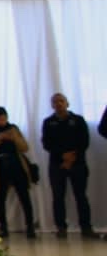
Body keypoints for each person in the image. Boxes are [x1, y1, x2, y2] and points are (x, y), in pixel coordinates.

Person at [41, 93, 94, 238]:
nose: (59, 104)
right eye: (55, 102)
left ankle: (86, 227)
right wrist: (62, 157)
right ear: (52, 105)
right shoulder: (48, 122)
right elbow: (47, 143)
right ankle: (61, 228)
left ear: (67, 103)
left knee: (81, 196)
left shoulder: (78, 120)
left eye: (61, 101)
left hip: (78, 163)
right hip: (57, 165)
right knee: (58, 197)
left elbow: (84, 141)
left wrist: (71, 157)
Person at [0, 106, 37, 240]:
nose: (2, 121)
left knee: (24, 196)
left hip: (16, 165)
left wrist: (14, 138)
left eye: (4, 118)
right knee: (0, 199)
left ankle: (30, 226)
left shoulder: (13, 128)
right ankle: (3, 227)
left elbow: (25, 147)